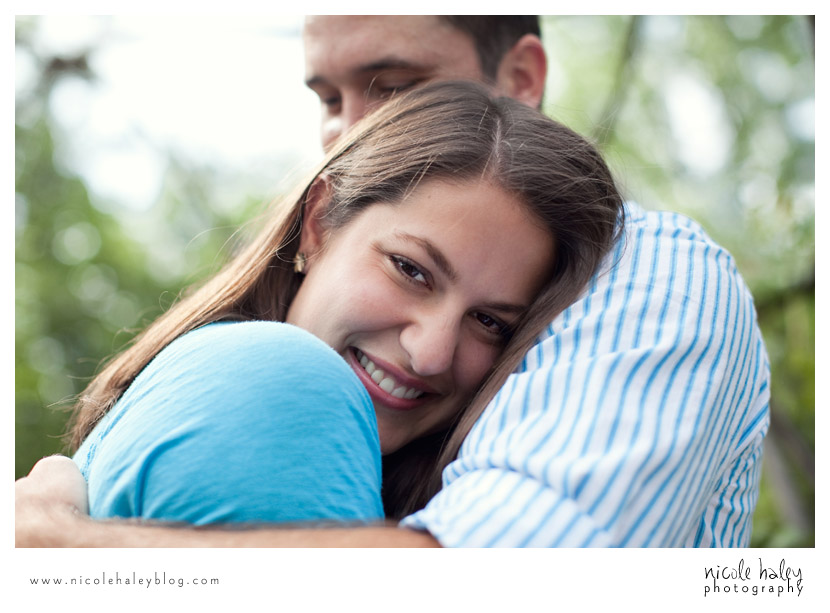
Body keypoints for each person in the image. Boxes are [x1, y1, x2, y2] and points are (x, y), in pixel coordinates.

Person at [16, 16, 769, 547]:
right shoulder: (287, 379)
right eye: (327, 99)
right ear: (318, 225)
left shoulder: (643, 270)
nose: (348, 134)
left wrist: (72, 546)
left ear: (520, 78)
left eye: (396, 88)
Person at [60, 81, 624, 528]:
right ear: (319, 224)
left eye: (489, 322)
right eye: (411, 270)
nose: (430, 354)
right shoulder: (288, 383)